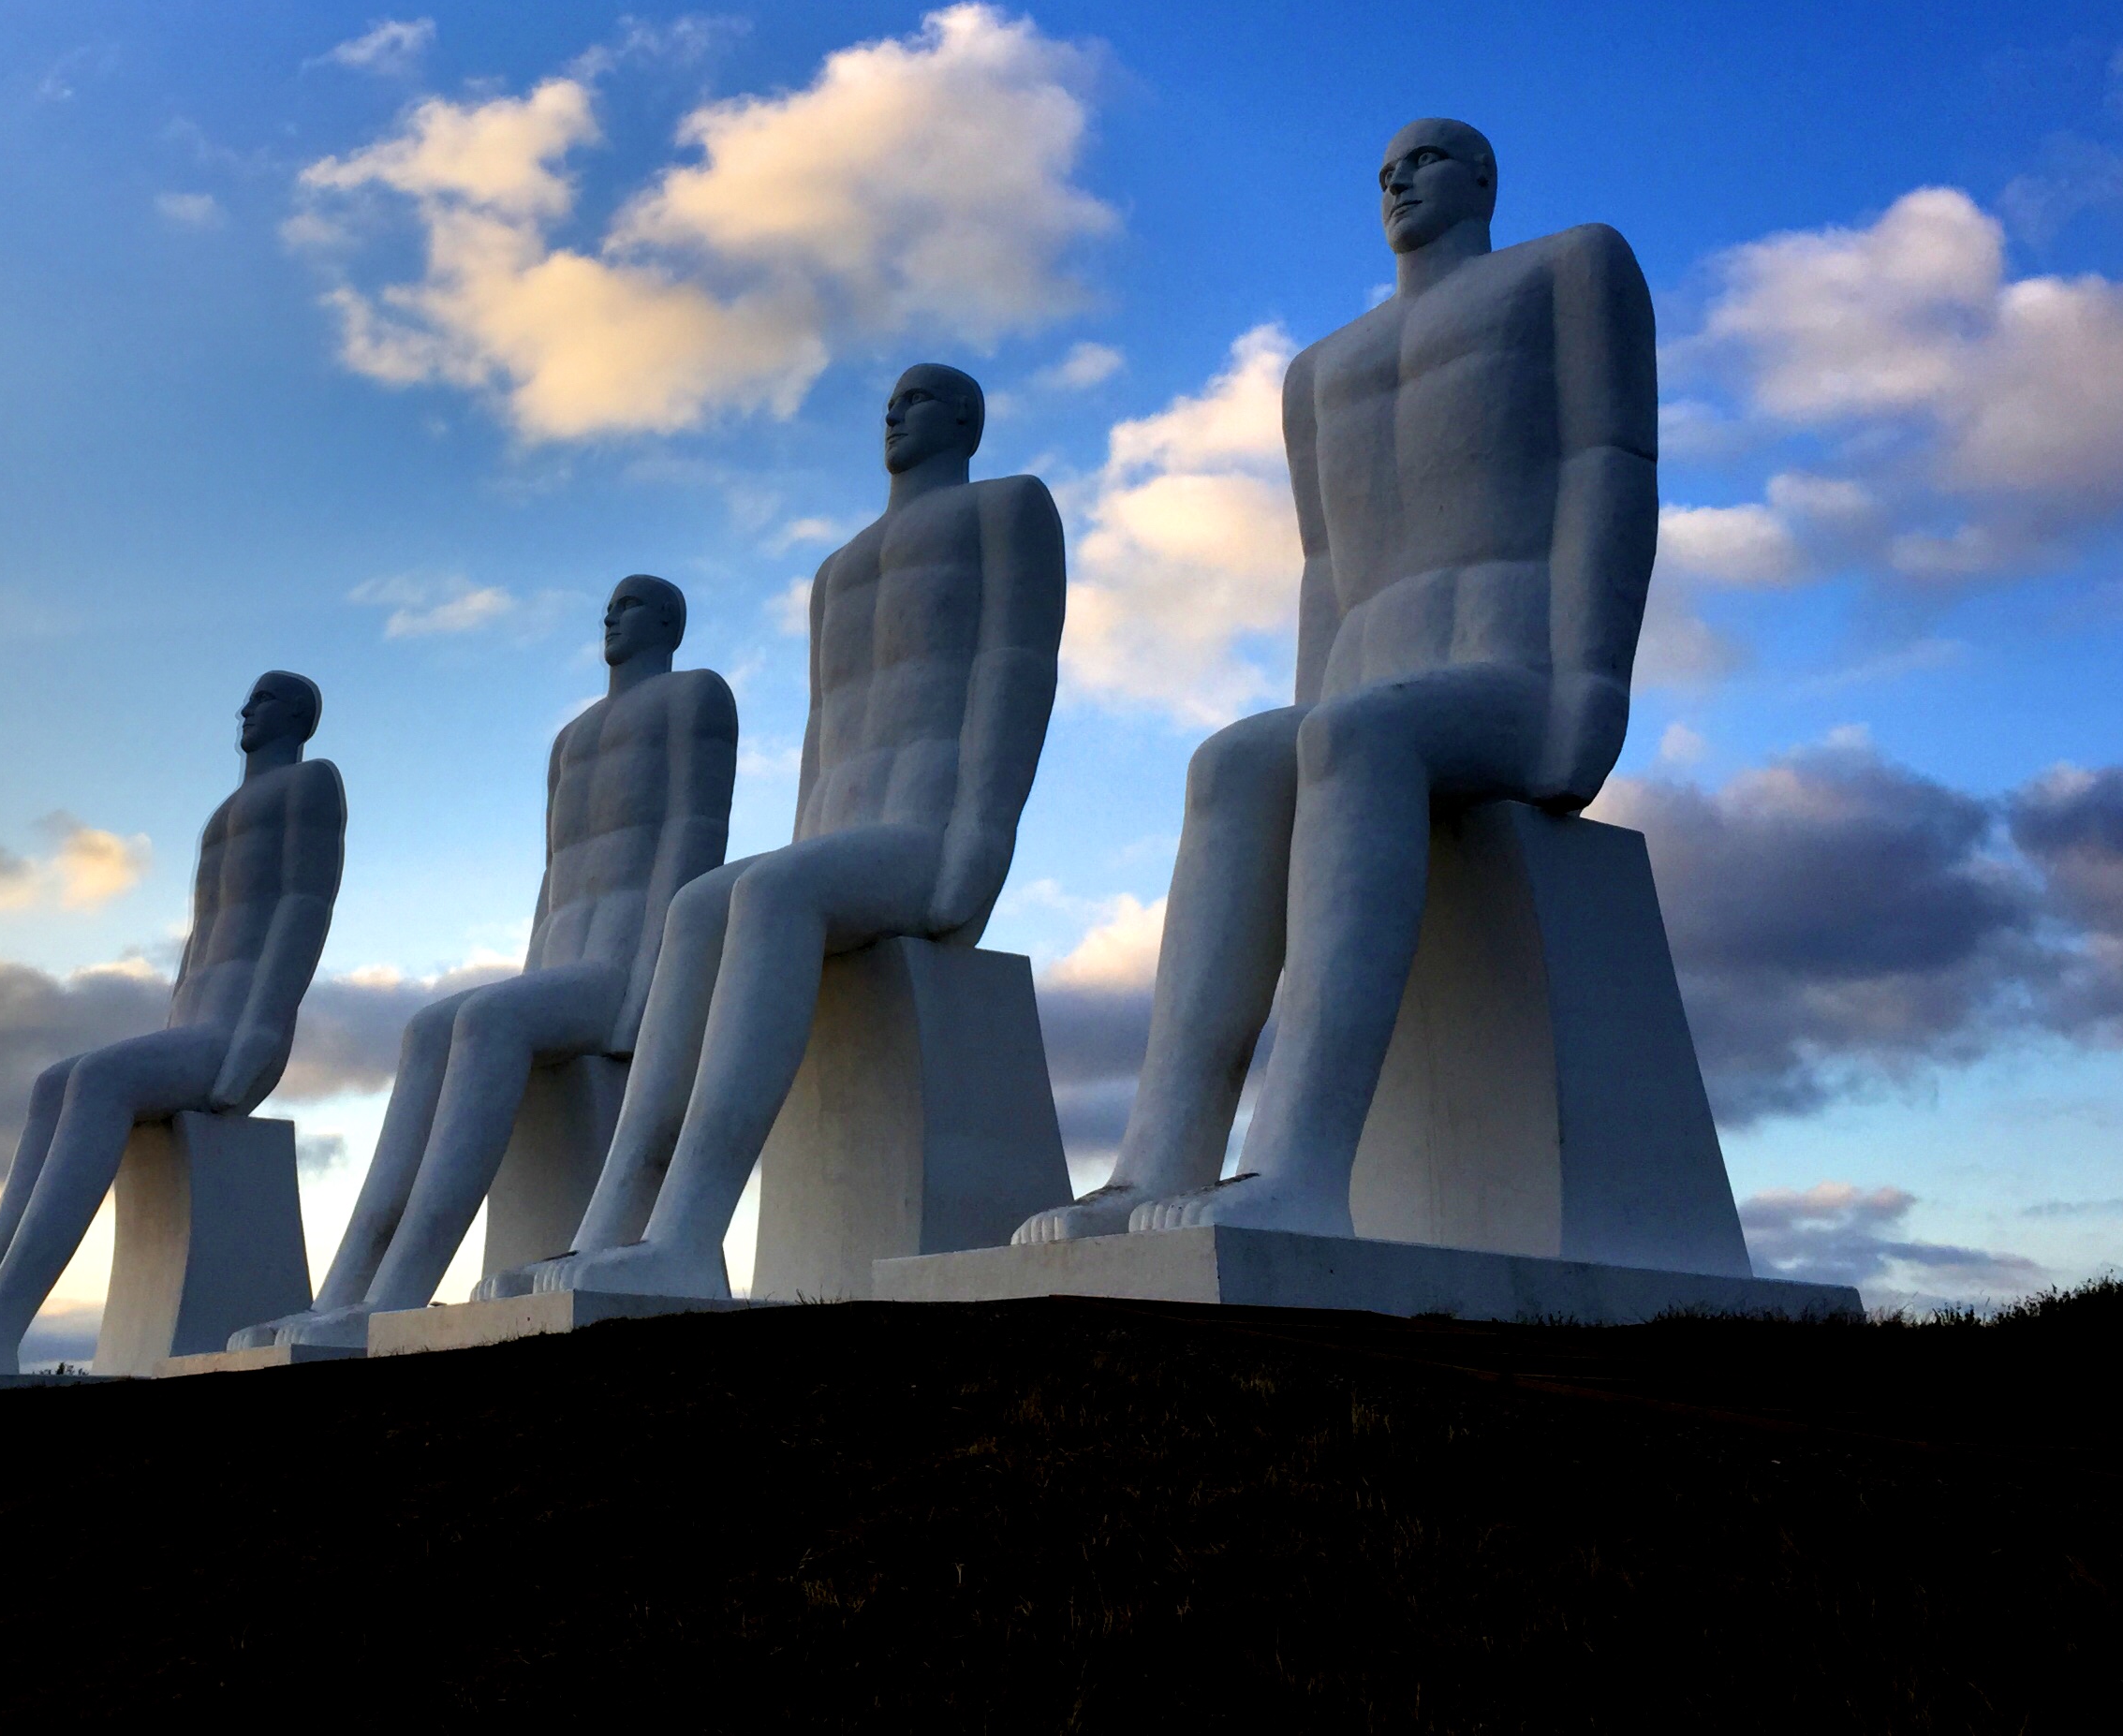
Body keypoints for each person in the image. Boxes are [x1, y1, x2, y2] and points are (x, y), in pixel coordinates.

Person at [1016, 119, 1656, 1246]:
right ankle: (1156, 1158)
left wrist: (1592, 685)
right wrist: (1310, 715)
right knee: (1232, 759)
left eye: (1426, 159)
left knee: (1355, 741)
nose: (1399, 179)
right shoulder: (1320, 369)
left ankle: (1297, 1166)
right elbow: (1325, 571)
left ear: (1485, 178)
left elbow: (1609, 467)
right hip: (1371, 687)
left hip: (1508, 666)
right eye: (1383, 171)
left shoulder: (1569, 268)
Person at [524, 364, 1064, 1302]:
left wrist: (983, 838)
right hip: (845, 843)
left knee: (769, 892)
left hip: (927, 835)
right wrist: (806, 845)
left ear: (970, 419)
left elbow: (1015, 671)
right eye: (888, 400)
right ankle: (614, 1224)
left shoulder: (1007, 509)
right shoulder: (837, 572)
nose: (895, 411)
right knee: (703, 905)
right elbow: (825, 736)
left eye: (920, 398)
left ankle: (689, 1234)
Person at [237, 578, 735, 1348]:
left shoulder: (694, 697)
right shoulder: (570, 738)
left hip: (621, 968)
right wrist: (534, 970)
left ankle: (399, 1292)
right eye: (607, 603)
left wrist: (654, 985)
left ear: (669, 621)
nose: (610, 613)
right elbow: (553, 877)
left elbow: (691, 836)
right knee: (431, 1027)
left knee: (484, 1020)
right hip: (563, 967)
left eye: (631, 603)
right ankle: (348, 1288)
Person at [0, 670, 345, 1373]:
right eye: (248, 697)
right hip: (191, 1029)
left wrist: (263, 1031)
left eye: (266, 698)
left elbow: (305, 906)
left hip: (238, 1033)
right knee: (52, 1084)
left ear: (302, 716)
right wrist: (168, 1028)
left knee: (97, 1078)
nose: (245, 709)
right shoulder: (224, 813)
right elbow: (199, 937)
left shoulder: (312, 786)